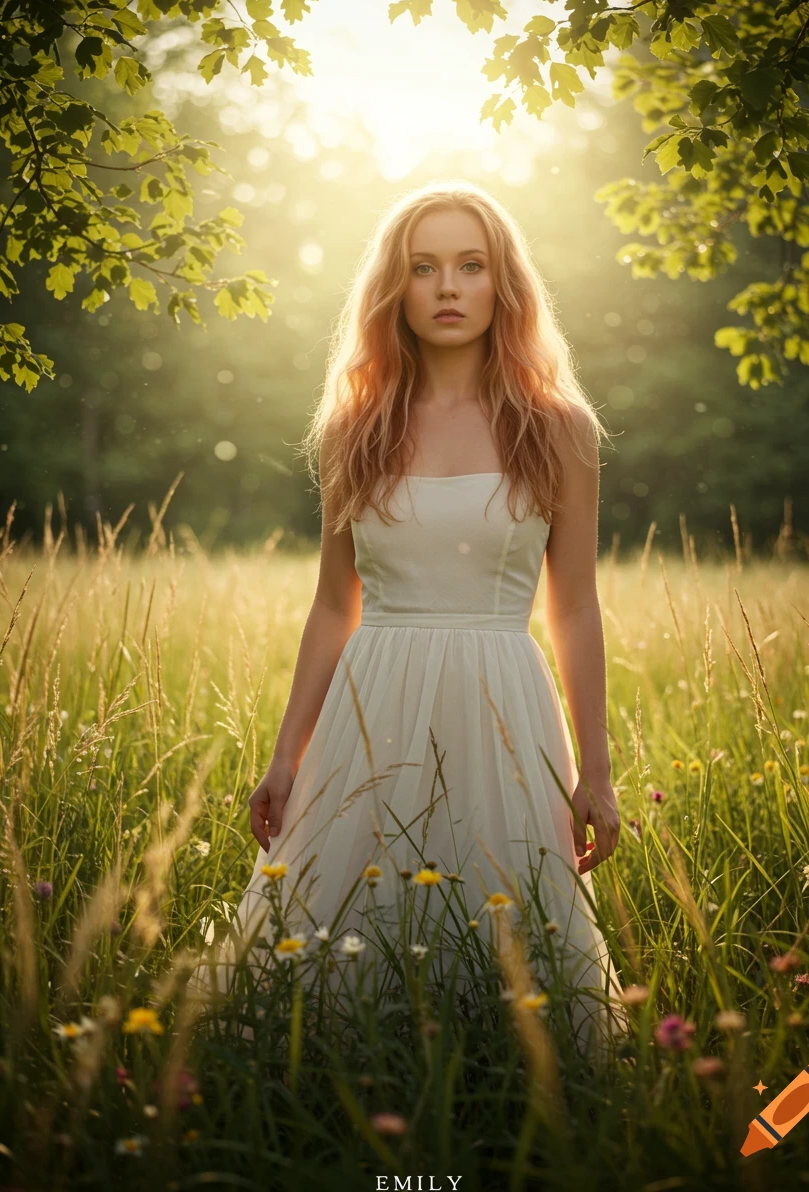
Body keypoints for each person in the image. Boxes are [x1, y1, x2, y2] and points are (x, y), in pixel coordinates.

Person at [187, 180, 627, 1059]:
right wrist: (286, 756)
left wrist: (597, 771)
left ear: (505, 284)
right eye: (425, 269)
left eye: (471, 265)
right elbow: (332, 602)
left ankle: (509, 1092)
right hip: (371, 704)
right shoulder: (356, 426)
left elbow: (574, 605)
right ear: (397, 288)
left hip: (504, 700)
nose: (449, 287)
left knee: (508, 931)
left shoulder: (561, 428)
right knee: (341, 933)